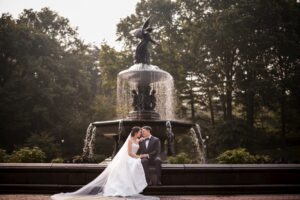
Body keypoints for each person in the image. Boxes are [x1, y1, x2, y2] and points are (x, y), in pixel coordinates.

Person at [51, 126, 158, 200]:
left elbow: (141, 141)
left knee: (137, 164)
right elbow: (130, 153)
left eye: (141, 132)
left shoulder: (138, 140)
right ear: (135, 132)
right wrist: (140, 156)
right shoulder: (130, 141)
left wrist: (144, 140)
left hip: (133, 157)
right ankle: (128, 187)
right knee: (136, 163)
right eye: (140, 132)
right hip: (129, 158)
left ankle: (136, 185)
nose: (141, 134)